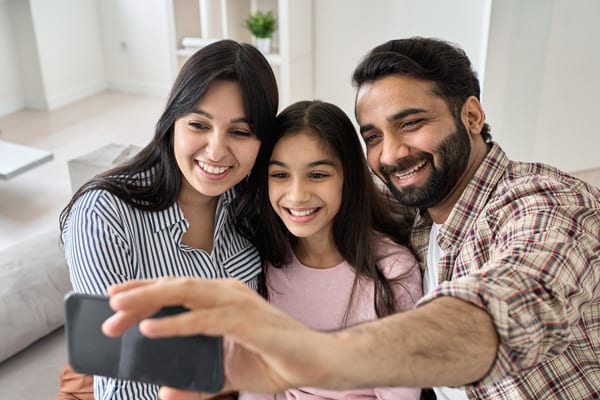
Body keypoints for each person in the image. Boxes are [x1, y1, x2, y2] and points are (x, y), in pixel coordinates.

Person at [101, 37, 600, 400]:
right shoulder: (416, 208)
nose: (393, 153)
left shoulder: (547, 203)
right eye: (374, 136)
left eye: (411, 123)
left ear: (471, 116)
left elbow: (509, 306)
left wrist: (316, 355)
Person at [56, 39, 279, 400]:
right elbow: (119, 380)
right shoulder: (103, 214)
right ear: (172, 121)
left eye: (240, 132)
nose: (216, 150)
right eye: (198, 124)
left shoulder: (255, 204)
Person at [240, 100, 422, 399]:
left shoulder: (392, 271)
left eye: (318, 175)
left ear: (347, 179)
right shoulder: (262, 262)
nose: (297, 196)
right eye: (280, 175)